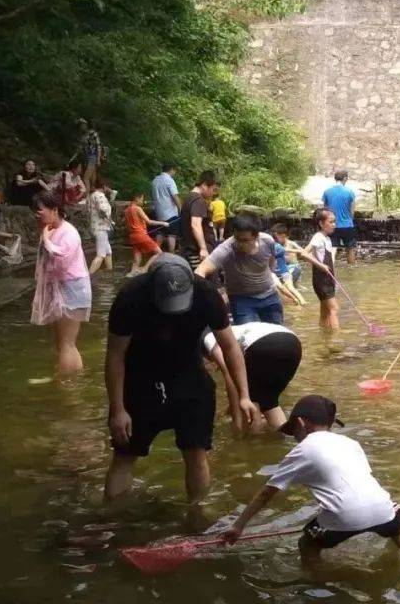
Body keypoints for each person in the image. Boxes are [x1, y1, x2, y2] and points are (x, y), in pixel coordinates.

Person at [104, 255, 253, 502]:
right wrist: (118, 409)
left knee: (196, 452)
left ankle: (197, 513)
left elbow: (230, 346)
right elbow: (115, 354)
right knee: (125, 454)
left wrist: (244, 395)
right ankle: (111, 520)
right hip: (140, 380)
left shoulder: (206, 294)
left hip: (189, 376)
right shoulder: (131, 297)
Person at [222, 394, 400, 560]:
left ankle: (321, 582)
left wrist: (238, 526)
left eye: (293, 431)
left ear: (300, 423)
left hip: (342, 518)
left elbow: (266, 494)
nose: (295, 437)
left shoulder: (302, 450)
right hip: (383, 509)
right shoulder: (350, 442)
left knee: (307, 544)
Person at [31, 189, 92, 374]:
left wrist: (47, 241)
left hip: (72, 288)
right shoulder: (52, 230)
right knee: (63, 342)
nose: (37, 214)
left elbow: (62, 261)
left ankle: (66, 384)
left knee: (67, 343)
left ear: (54, 209)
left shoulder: (69, 233)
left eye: (40, 210)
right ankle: (71, 379)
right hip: (63, 289)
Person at [202, 320, 302, 432]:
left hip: (264, 344)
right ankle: (282, 437)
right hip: (293, 344)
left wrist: (237, 420)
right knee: (269, 401)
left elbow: (230, 376)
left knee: (250, 400)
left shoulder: (208, 338)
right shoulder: (233, 330)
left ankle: (251, 442)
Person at [196, 212, 284, 325]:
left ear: (256, 236)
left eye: (245, 240)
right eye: (237, 239)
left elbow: (272, 262)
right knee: (246, 338)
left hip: (270, 295)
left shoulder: (267, 241)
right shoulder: (227, 248)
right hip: (242, 300)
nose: (240, 244)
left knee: (276, 334)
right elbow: (201, 270)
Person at [296, 207, 339, 330]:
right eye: (331, 222)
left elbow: (328, 260)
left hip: (328, 279)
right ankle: (335, 340)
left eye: (334, 222)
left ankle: (324, 338)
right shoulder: (318, 237)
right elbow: (303, 254)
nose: (334, 225)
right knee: (334, 308)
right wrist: (320, 265)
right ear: (321, 223)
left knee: (325, 313)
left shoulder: (327, 238)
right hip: (322, 280)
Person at [177, 170, 221, 267]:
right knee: (204, 279)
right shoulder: (198, 200)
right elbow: (195, 225)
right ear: (204, 185)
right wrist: (203, 248)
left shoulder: (189, 197)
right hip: (197, 251)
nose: (213, 193)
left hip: (189, 248)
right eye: (212, 189)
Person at [322, 170, 358, 266]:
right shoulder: (350, 192)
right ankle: (351, 270)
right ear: (345, 178)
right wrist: (350, 220)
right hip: (347, 225)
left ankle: (330, 270)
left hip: (332, 225)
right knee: (350, 249)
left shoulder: (327, 192)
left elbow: (325, 211)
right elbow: (352, 212)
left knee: (332, 248)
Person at [124, 190, 165, 273]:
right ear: (136, 198)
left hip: (133, 236)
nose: (143, 201)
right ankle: (145, 268)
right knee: (159, 253)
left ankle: (132, 272)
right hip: (141, 235)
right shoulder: (137, 209)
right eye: (142, 199)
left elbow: (127, 225)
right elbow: (149, 222)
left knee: (137, 257)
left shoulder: (126, 210)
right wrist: (163, 223)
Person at [269, 219, 305, 305]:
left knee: (289, 287)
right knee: (290, 287)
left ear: (284, 235)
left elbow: (303, 251)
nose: (275, 239)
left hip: (292, 268)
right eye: (274, 237)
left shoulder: (290, 243)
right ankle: (297, 300)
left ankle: (299, 301)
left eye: (276, 237)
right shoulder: (275, 245)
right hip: (283, 270)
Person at [86, 177, 115, 276]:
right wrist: (109, 218)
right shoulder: (100, 196)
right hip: (101, 228)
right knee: (101, 254)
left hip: (95, 226)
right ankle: (88, 276)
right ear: (104, 187)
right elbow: (103, 209)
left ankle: (109, 272)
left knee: (108, 252)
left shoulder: (91, 195)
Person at [150, 163, 181, 251]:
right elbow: (175, 196)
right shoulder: (169, 180)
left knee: (160, 233)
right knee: (172, 235)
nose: (175, 173)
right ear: (171, 169)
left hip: (159, 214)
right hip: (171, 214)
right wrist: (181, 209)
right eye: (175, 171)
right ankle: (171, 255)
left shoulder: (155, 180)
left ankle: (156, 254)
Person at [78, 120, 104, 193]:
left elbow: (98, 146)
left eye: (82, 125)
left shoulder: (93, 134)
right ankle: (93, 192)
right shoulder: (84, 135)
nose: (81, 127)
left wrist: (98, 159)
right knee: (92, 176)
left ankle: (87, 197)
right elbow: (82, 147)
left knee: (86, 178)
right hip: (86, 157)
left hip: (92, 157)